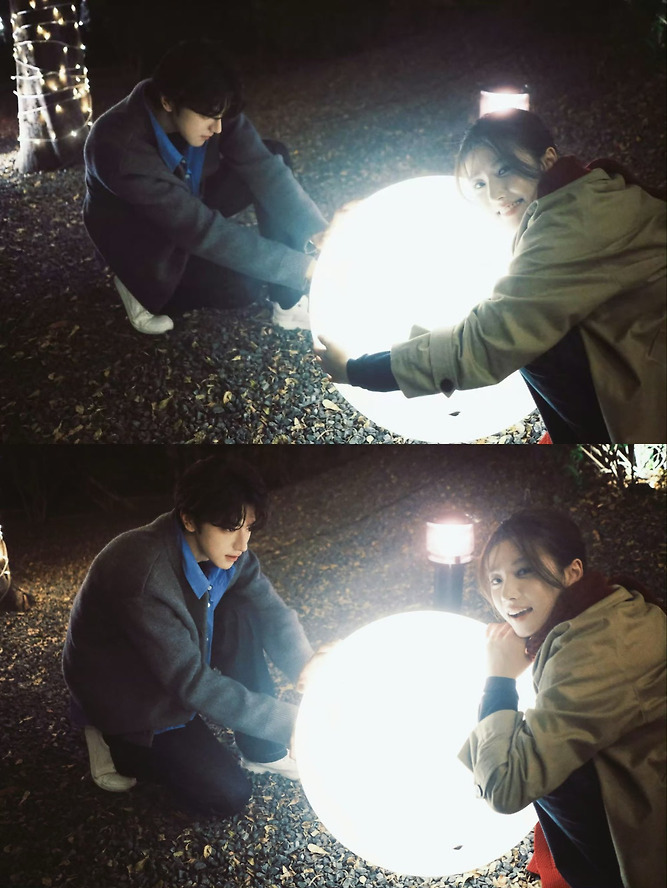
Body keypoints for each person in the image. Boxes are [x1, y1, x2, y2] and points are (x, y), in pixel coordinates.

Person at [315, 109, 666, 443]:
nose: (495, 194)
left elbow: (488, 342)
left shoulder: (571, 224)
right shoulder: (585, 192)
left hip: (653, 387)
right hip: (644, 342)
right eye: (479, 184)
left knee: (532, 343)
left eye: (504, 170)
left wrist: (358, 371)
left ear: (547, 159)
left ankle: (587, 439)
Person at [62, 455, 321, 816]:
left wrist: (307, 668)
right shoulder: (141, 573)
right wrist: (288, 721)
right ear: (188, 518)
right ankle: (111, 741)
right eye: (229, 528)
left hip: (172, 655)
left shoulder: (230, 554)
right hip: (125, 687)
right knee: (226, 795)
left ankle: (261, 749)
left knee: (243, 610)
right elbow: (192, 682)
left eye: (249, 528)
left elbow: (269, 610)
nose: (242, 544)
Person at [458, 508, 665, 888]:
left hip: (650, 829)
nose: (508, 593)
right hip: (643, 778)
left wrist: (499, 679)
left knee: (548, 771)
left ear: (572, 572)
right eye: (496, 579)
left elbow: (505, 786)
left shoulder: (597, 649)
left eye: (525, 571)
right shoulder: (601, 614)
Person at [83, 39, 328, 335]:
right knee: (241, 287)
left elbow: (263, 167)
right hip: (144, 239)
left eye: (222, 116)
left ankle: (287, 303)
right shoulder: (118, 147)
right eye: (208, 117)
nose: (218, 128)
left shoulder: (210, 104)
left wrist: (317, 229)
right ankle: (136, 288)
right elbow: (200, 230)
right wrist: (303, 268)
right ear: (167, 102)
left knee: (273, 153)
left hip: (187, 195)